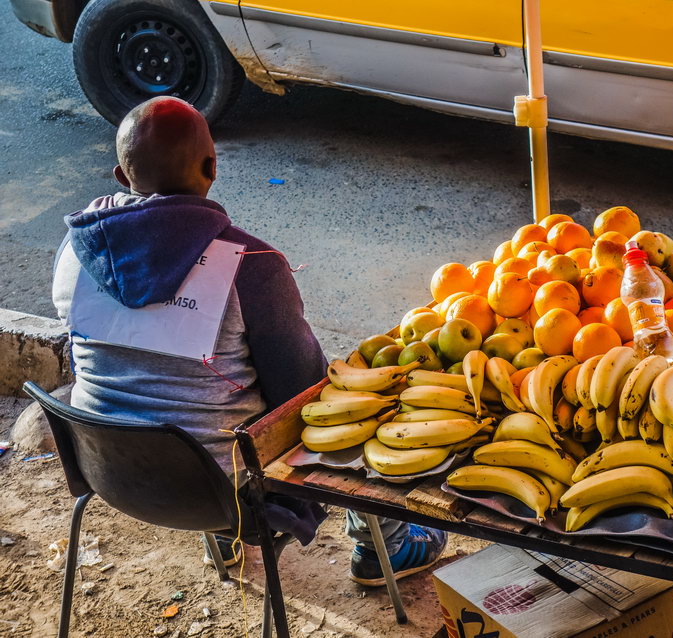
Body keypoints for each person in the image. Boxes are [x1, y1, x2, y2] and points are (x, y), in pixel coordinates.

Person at [51, 96, 446, 586]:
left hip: (110, 472)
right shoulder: (251, 264)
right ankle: (383, 545)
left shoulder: (73, 249)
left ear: (121, 176)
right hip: (231, 491)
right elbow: (302, 391)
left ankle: (222, 542)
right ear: (212, 166)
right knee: (348, 402)